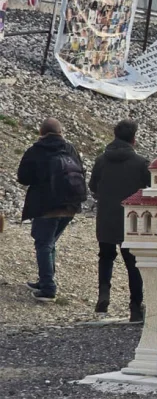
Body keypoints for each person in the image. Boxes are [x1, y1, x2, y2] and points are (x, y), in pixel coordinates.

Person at [17, 118, 87, 303]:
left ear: (41, 132)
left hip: (46, 206)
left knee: (44, 244)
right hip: (70, 206)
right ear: (61, 132)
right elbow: (81, 171)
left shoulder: (36, 150)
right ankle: (44, 280)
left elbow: (23, 177)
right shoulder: (70, 148)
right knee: (49, 243)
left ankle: (48, 288)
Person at [89, 119, 150, 322]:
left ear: (114, 135)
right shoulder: (141, 163)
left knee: (106, 257)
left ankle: (104, 294)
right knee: (133, 264)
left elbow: (93, 186)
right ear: (134, 139)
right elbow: (151, 190)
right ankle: (135, 307)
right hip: (132, 220)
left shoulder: (101, 160)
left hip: (106, 217)